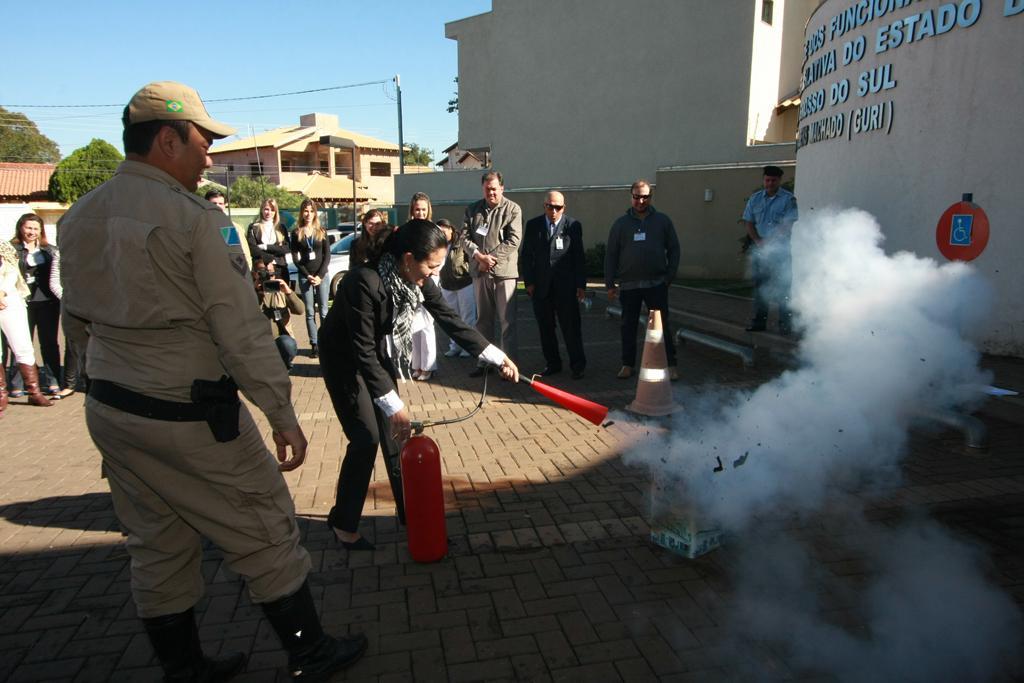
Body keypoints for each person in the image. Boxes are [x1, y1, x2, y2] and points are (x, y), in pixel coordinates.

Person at [57, 81, 365, 680]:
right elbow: (241, 330)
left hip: (114, 411)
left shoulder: (79, 216)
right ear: (167, 140)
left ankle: (185, 667)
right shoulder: (194, 220)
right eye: (203, 143)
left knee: (157, 543)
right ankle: (310, 652)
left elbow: (76, 324)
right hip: (189, 414)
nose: (208, 157)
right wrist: (281, 413)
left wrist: (98, 379)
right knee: (265, 527)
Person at [318, 219, 519, 549]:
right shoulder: (363, 282)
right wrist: (394, 406)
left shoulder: (416, 280)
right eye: (431, 266)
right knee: (366, 439)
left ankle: (416, 518)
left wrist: (497, 356)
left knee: (398, 438)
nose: (432, 274)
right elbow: (363, 350)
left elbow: (450, 320)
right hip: (344, 360)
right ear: (408, 258)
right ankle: (343, 522)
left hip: (371, 357)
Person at [605, 179, 680, 380]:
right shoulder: (621, 224)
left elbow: (674, 249)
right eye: (637, 196)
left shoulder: (662, 221)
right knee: (628, 326)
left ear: (651, 197)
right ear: (631, 197)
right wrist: (610, 284)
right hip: (629, 286)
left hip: (656, 284)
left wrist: (669, 276)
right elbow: (611, 254)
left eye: (645, 196)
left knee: (662, 325)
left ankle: (670, 364)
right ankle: (627, 365)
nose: (641, 200)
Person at [521, 191, 587, 379]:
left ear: (563, 208)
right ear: (544, 206)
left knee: (571, 328)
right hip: (541, 288)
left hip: (566, 288)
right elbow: (526, 255)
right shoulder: (534, 225)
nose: (554, 211)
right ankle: (553, 363)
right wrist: (529, 282)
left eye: (558, 207)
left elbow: (579, 257)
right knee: (546, 328)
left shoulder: (573, 226)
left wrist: (580, 285)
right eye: (550, 206)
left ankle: (578, 365)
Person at [462, 171, 522, 376]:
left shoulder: (513, 209)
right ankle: (485, 363)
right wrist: (479, 256)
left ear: (502, 188)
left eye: (494, 189)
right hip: (480, 273)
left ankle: (508, 367)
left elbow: (513, 241)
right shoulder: (472, 210)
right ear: (483, 189)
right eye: (487, 189)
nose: (491, 193)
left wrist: (490, 259)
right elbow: (464, 238)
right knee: (483, 321)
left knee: (507, 321)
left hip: (504, 274)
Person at [12, 214, 64, 397]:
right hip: (21, 303)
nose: (32, 232)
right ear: (21, 228)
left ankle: (54, 380)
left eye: (36, 228)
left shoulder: (50, 251)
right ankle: (19, 382)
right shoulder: (12, 250)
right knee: (21, 344)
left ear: (41, 231)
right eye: (28, 228)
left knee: (49, 343)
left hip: (47, 303)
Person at [743, 165, 799, 335]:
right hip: (760, 251)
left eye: (773, 180)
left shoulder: (789, 200)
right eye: (767, 180)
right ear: (764, 180)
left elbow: (787, 225)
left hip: (780, 252)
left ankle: (785, 325)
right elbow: (749, 222)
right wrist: (759, 241)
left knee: (783, 287)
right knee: (760, 287)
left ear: (779, 181)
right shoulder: (755, 199)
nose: (770, 183)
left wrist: (770, 241)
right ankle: (759, 323)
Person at [0, 239, 53, 413]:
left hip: (10, 301)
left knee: (22, 345)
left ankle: (34, 392)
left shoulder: (4, 246)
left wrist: (2, 292)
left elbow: (12, 272)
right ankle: (2, 394)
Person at [290, 199, 331, 358]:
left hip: (322, 276)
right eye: (305, 211)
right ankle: (314, 344)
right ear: (302, 212)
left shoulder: (322, 231)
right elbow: (295, 258)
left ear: (315, 213)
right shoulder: (296, 232)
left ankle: (326, 342)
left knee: (324, 311)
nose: (308, 214)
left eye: (311, 211)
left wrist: (319, 276)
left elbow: (327, 256)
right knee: (309, 312)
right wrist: (307, 274)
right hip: (305, 276)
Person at [408, 193, 438, 381]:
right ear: (412, 210)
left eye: (423, 209)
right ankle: (417, 364)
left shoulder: (433, 230)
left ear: (428, 210)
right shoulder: (407, 229)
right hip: (411, 280)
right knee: (413, 324)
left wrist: (428, 270)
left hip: (428, 280)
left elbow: (438, 255)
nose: (420, 212)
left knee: (427, 324)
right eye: (417, 209)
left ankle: (428, 366)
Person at [255, 257, 305, 370]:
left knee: (288, 344)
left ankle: (285, 364)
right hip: (259, 341)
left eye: (271, 274)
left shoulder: (281, 290)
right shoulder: (251, 292)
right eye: (263, 274)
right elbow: (247, 315)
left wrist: (288, 292)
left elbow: (300, 310)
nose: (268, 277)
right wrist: (257, 294)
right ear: (256, 275)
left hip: (280, 339)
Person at [437, 218, 476, 358]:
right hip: (447, 286)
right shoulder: (437, 245)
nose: (441, 233)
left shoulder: (460, 243)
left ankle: (468, 347)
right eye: (438, 230)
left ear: (451, 230)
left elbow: (471, 259)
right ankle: (455, 346)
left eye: (444, 230)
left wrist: (468, 272)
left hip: (464, 283)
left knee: (468, 317)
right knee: (452, 318)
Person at [247, 198, 290, 275]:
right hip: (261, 268)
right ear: (261, 210)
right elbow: (253, 249)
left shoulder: (281, 227)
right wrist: (269, 259)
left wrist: (265, 247)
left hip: (280, 269)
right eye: (266, 209)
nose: (269, 213)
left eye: (272, 210)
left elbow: (286, 249)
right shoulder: (253, 227)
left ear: (275, 212)